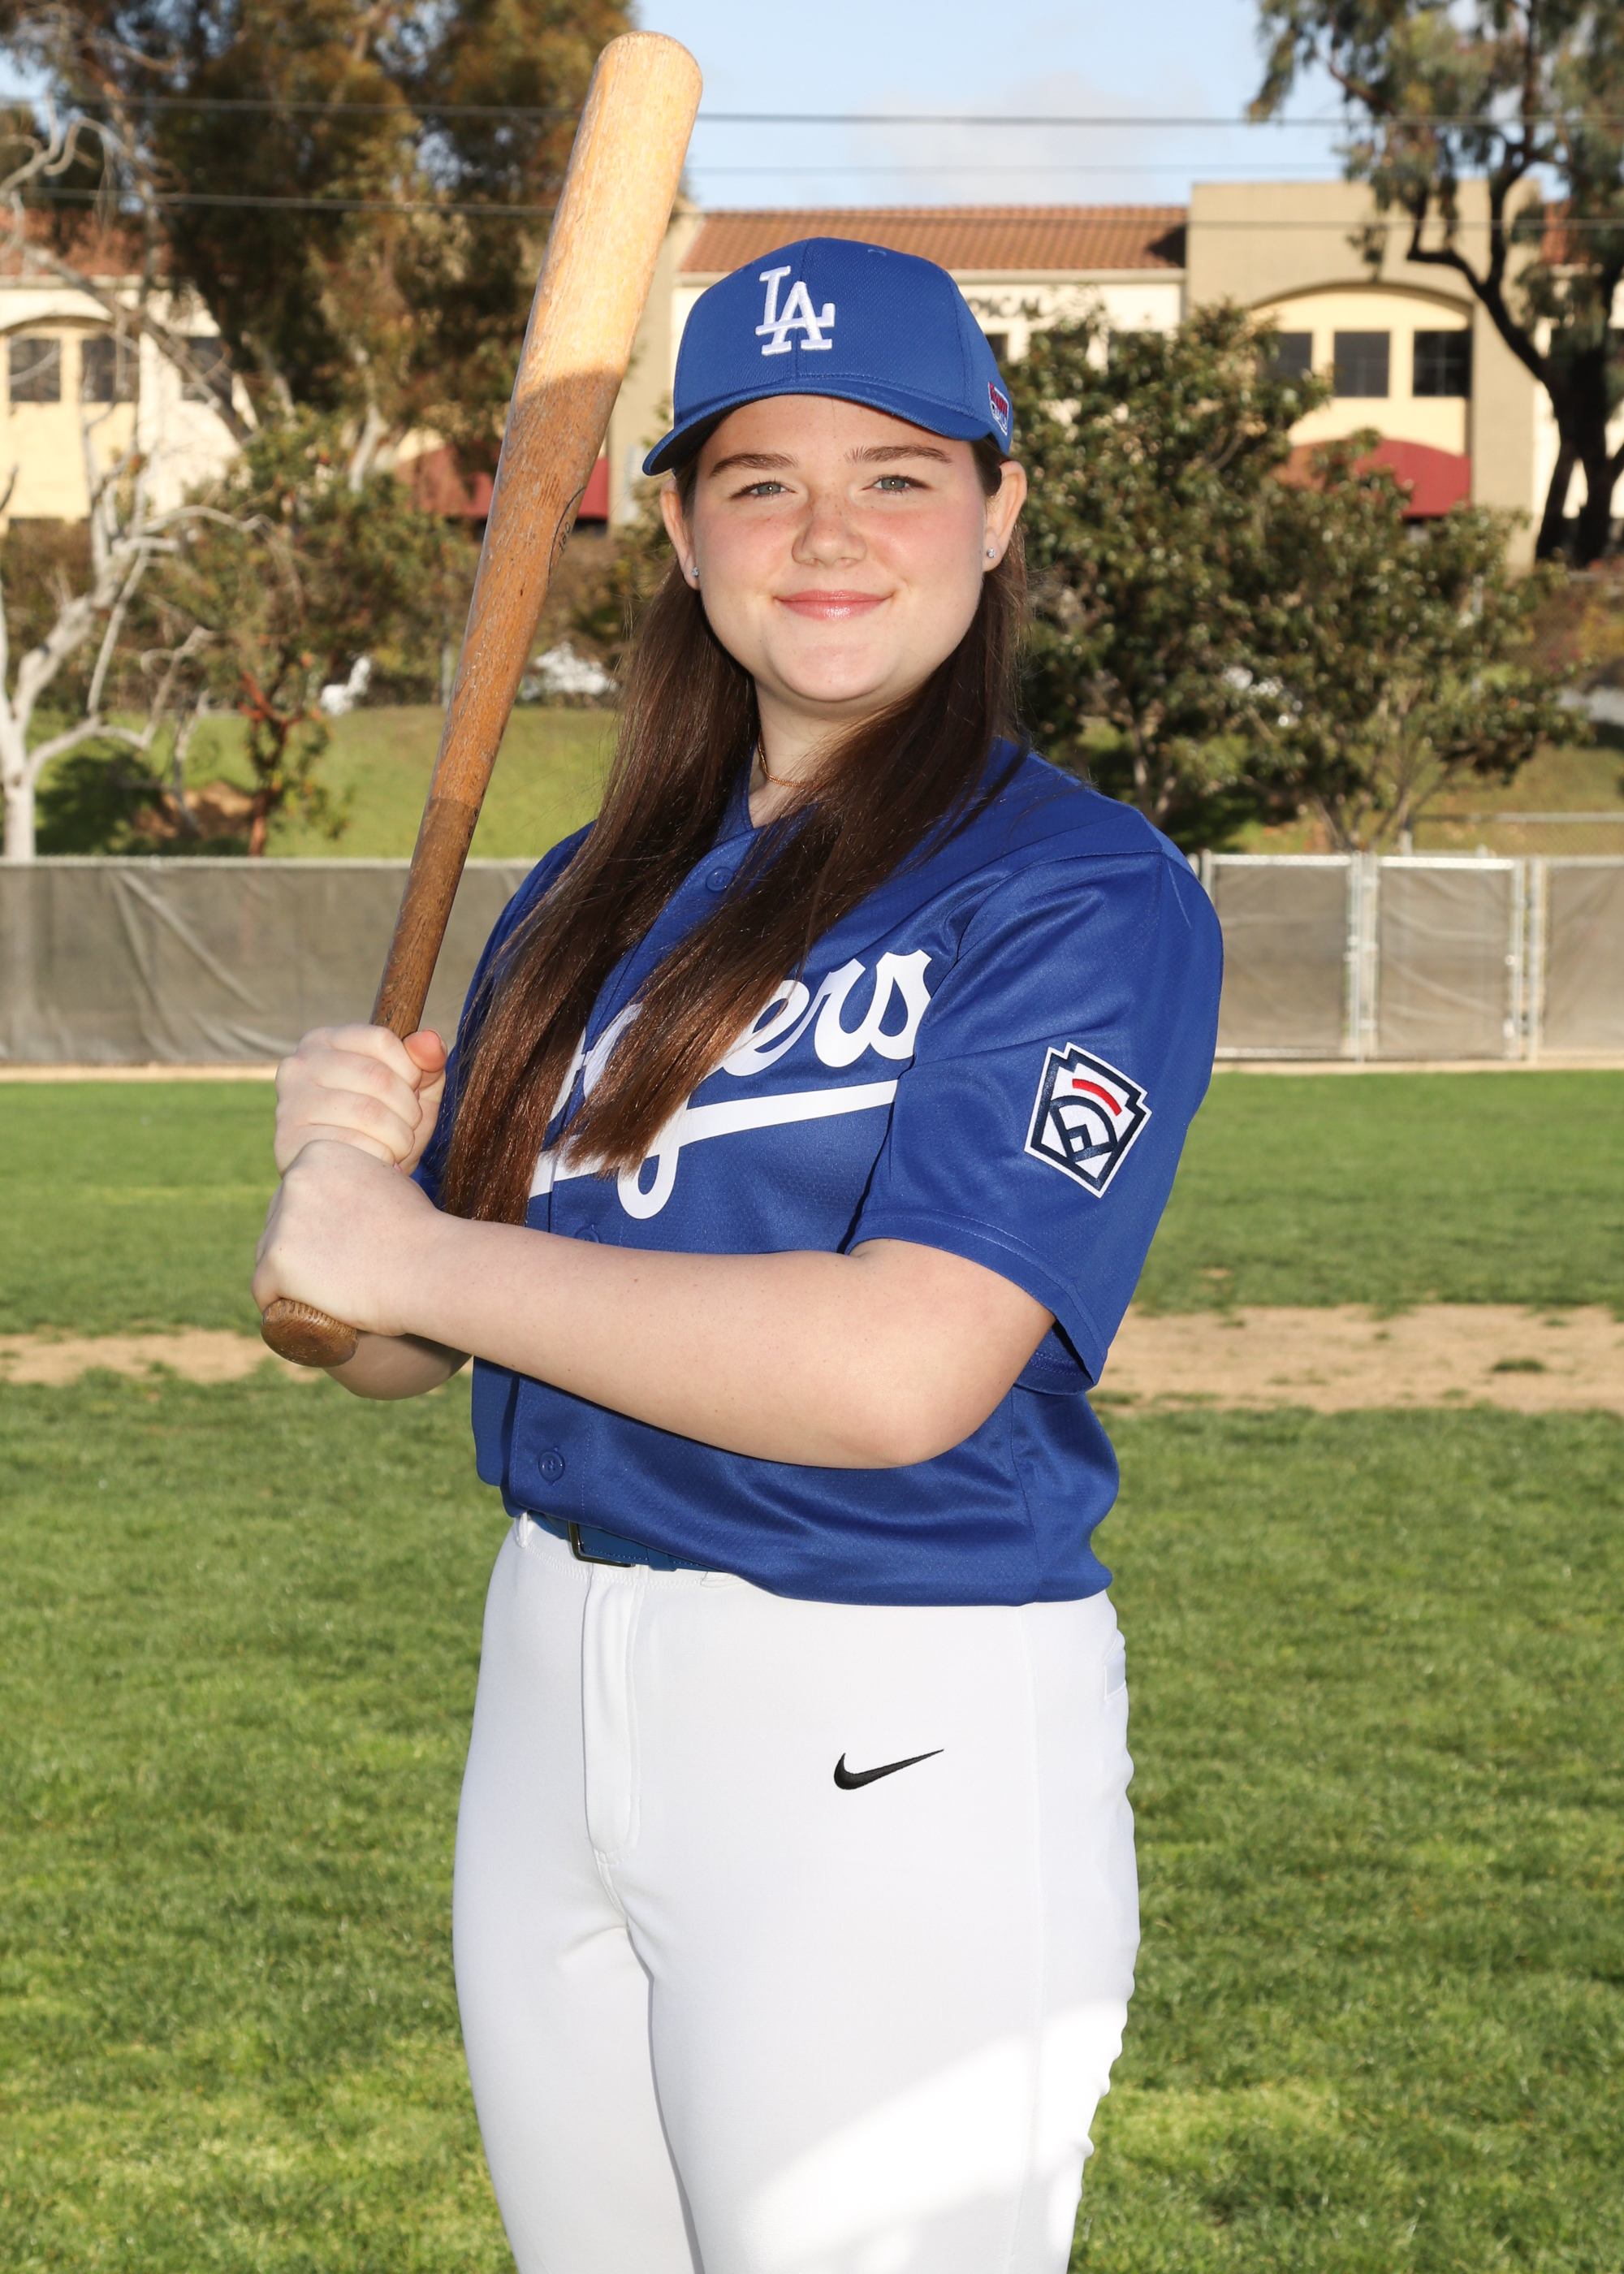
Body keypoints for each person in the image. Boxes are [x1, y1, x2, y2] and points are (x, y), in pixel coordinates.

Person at [253, 236, 1223, 2274]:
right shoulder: (586, 897)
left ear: (998, 510)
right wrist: (341, 1213)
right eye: (762, 480)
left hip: (887, 1700)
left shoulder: (1075, 890)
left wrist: (407, 1262)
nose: (829, 533)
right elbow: (395, 1346)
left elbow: (900, 1368)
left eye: (898, 475)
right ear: (683, 534)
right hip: (550, 1678)